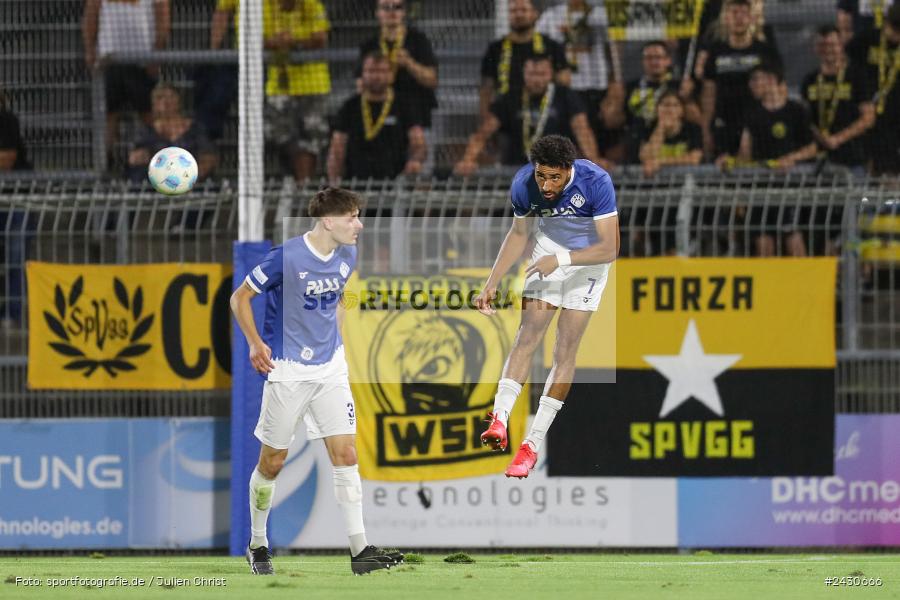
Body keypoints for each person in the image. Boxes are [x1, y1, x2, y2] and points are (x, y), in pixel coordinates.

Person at [230, 187, 403, 575]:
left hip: (330, 370)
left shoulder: (348, 254)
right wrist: (256, 344)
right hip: (288, 371)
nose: (359, 225)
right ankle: (258, 544)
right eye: (352, 217)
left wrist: (334, 336)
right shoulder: (286, 257)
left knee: (346, 456)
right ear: (329, 221)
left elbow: (343, 297)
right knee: (272, 463)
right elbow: (238, 299)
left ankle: (361, 552)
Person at [474, 134, 618, 479]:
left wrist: (563, 260)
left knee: (565, 350)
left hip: (588, 265)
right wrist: (492, 282)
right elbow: (519, 234)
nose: (547, 184)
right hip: (547, 253)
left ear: (569, 170)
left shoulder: (596, 181)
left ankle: (531, 445)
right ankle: (499, 419)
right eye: (542, 175)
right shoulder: (524, 184)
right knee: (528, 333)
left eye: (555, 177)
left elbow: (610, 247)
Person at [454, 55, 601, 175]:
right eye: (532, 74)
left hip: (557, 170)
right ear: (524, 74)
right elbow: (483, 133)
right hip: (516, 169)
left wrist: (594, 160)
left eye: (542, 74)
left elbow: (582, 130)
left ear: (550, 74)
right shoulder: (511, 97)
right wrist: (468, 159)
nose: (537, 80)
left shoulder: (566, 96)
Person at [253, 0, 331, 181]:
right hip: (280, 86)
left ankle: (305, 185)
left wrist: (293, 41)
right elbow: (250, 39)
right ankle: (291, 181)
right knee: (279, 136)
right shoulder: (263, 7)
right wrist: (274, 42)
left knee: (312, 140)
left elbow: (320, 38)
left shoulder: (312, 5)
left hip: (313, 84)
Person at [82, 0, 171, 158]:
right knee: (108, 114)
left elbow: (162, 15)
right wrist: (89, 49)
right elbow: (91, 13)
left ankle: (159, 158)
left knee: (149, 113)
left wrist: (156, 54)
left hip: (142, 59)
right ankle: (106, 162)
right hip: (109, 59)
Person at [536, 0, 618, 161]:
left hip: (596, 85)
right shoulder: (550, 17)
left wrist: (614, 82)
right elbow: (539, 52)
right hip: (565, 88)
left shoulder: (601, 15)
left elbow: (613, 50)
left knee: (596, 137)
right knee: (568, 139)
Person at [327, 52, 426, 181]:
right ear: (362, 74)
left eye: (381, 71)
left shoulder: (405, 105)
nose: (376, 76)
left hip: (395, 182)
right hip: (355, 181)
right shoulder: (350, 107)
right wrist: (335, 184)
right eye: (371, 71)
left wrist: (415, 160)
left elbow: (418, 141)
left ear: (391, 75)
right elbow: (337, 147)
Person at [699, 0, 780, 158]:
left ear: (751, 18)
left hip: (759, 124)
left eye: (743, 13)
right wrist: (705, 129)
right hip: (724, 125)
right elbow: (709, 92)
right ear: (726, 18)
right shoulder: (716, 50)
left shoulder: (765, 50)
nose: (739, 18)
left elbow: (777, 88)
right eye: (734, 13)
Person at [602, 41, 699, 163]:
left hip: (670, 146)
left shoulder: (679, 86)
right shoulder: (629, 87)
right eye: (649, 58)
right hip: (634, 147)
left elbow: (696, 120)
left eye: (658, 57)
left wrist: (687, 98)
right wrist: (617, 101)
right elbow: (611, 122)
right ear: (643, 61)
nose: (654, 62)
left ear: (668, 60)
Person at [479, 0, 571, 122]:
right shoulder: (496, 48)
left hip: (545, 116)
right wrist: (484, 118)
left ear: (535, 14)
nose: (519, 14)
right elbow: (486, 88)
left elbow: (565, 81)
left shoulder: (551, 46)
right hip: (506, 117)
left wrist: (541, 76)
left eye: (524, 10)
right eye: (513, 11)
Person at [801, 25, 875, 173]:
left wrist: (838, 139)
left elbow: (868, 118)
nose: (827, 49)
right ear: (815, 48)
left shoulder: (857, 76)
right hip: (819, 160)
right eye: (822, 45)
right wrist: (819, 136)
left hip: (853, 157)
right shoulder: (810, 80)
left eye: (832, 45)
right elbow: (803, 117)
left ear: (841, 45)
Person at [358, 0, 437, 130]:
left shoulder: (418, 40)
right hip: (381, 114)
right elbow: (360, 85)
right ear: (377, 13)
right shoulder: (369, 44)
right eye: (386, 7)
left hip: (416, 114)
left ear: (404, 12)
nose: (392, 11)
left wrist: (409, 63)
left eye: (397, 7)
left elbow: (432, 80)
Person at [846, 2, 900, 174]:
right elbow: (847, 63)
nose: (897, 37)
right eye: (895, 30)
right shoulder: (866, 40)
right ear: (886, 23)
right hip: (869, 112)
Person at [126, 84, 218, 182]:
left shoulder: (195, 129)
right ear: (153, 104)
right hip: (157, 181)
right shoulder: (146, 131)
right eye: (159, 98)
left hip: (189, 179)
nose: (165, 102)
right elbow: (134, 157)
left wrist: (191, 177)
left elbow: (208, 156)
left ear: (179, 102)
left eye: (170, 97)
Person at [639, 90, 703, 177]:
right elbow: (646, 157)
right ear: (657, 109)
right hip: (655, 183)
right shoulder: (649, 127)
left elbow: (694, 158)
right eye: (665, 105)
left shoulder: (692, 129)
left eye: (675, 105)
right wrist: (660, 128)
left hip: (685, 183)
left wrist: (661, 162)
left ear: (682, 110)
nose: (669, 109)